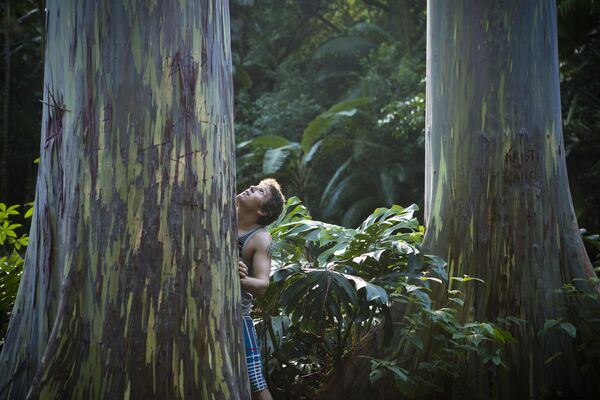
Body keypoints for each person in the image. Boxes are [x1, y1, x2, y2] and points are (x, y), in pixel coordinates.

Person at [237, 178, 285, 400]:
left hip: (236, 317)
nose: (251, 187)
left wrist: (240, 279)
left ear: (263, 211)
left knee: (256, 382)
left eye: (260, 192)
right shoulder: (218, 211)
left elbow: (263, 285)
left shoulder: (260, 238)